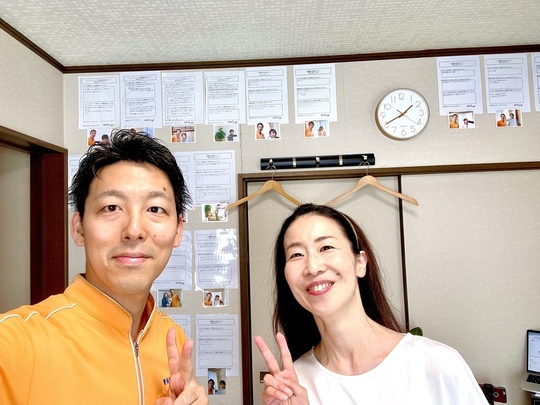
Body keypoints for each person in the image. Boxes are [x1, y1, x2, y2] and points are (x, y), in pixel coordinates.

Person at [0, 130, 207, 404]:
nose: (134, 230)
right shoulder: (15, 344)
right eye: (111, 207)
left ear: (178, 230)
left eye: (155, 209)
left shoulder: (173, 338)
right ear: (78, 228)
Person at [254, 204, 489, 405]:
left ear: (360, 263)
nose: (313, 267)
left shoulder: (435, 364)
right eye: (296, 255)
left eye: (326, 247)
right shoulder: (293, 386)